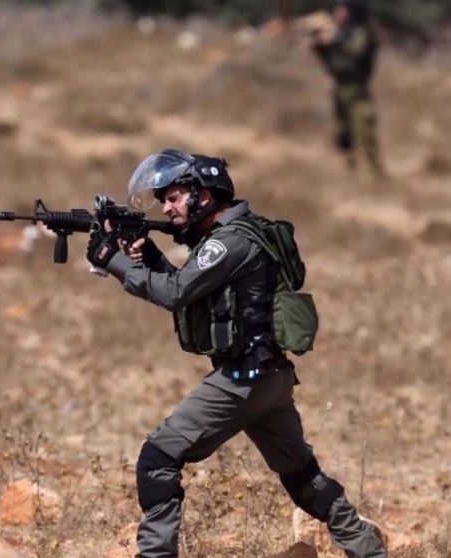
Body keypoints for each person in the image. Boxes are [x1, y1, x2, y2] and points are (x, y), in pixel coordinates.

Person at [85, 149, 387, 558]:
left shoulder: (229, 242)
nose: (167, 208)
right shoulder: (241, 233)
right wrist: (150, 257)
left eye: (174, 197)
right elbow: (193, 288)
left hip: (240, 382)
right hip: (270, 379)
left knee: (158, 459)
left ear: (204, 196)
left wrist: (113, 260)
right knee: (302, 476)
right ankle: (368, 549)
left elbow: (175, 293)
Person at [312, 0, 383, 175]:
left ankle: (375, 174)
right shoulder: (342, 33)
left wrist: (335, 39)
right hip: (340, 88)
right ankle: (350, 171)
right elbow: (332, 63)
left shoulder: (364, 31)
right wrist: (320, 48)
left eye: (342, 10)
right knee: (344, 135)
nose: (338, 13)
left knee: (365, 133)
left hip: (357, 90)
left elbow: (356, 51)